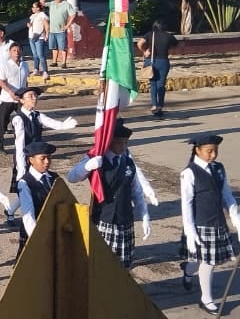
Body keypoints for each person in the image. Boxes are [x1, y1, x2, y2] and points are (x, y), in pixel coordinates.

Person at [66, 121, 152, 269]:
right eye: (119, 142)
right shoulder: (97, 158)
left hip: (124, 218)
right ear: (109, 141)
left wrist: (144, 214)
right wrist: (87, 166)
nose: (123, 146)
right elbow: (72, 177)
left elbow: (136, 191)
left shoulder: (128, 162)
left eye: (126, 142)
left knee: (123, 265)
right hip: (103, 218)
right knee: (101, 263)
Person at [179, 134, 240, 315]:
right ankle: (206, 299)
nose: (213, 155)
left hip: (217, 221)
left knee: (203, 260)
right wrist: (190, 231)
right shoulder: (189, 172)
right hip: (200, 224)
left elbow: (227, 195)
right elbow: (186, 203)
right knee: (207, 261)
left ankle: (187, 270)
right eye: (209, 151)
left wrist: (237, 220)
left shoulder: (219, 169)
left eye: (215, 151)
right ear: (197, 150)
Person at [9, 88, 77, 215]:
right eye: (30, 96)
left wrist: (64, 125)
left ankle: (10, 211)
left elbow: (53, 123)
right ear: (22, 100)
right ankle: (26, 216)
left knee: (32, 187)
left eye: (35, 96)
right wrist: (21, 168)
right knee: (26, 187)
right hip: (25, 158)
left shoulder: (37, 115)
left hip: (38, 157)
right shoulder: (18, 119)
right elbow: (19, 145)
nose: (34, 98)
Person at [16, 141, 59, 252]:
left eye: (49, 158)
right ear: (31, 160)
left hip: (53, 228)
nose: (47, 162)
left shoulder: (54, 177)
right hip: (35, 231)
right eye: (43, 158)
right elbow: (28, 215)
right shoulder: (25, 183)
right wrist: (37, 239)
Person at [136, 20, 180, 117]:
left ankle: (154, 105)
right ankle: (160, 106)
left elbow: (139, 43)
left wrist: (144, 51)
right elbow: (176, 45)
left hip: (151, 61)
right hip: (163, 61)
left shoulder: (150, 34)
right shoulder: (169, 36)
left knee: (153, 85)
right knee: (161, 84)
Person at [0, 44, 30, 153]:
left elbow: (25, 81)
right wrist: (11, 92)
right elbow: (1, 82)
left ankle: (24, 145)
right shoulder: (5, 65)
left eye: (18, 50)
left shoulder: (24, 65)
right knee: (2, 124)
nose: (16, 53)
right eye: (14, 50)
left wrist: (26, 94)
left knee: (24, 122)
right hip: (7, 99)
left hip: (21, 99)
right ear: (10, 52)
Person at [42, 0, 75, 69]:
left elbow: (73, 14)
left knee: (63, 47)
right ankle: (54, 61)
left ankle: (63, 63)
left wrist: (67, 25)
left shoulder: (66, 4)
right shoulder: (52, 3)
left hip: (61, 30)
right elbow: (41, 2)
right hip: (52, 29)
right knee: (54, 47)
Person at [27, 2, 50, 78]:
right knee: (35, 54)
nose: (33, 9)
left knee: (40, 54)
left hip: (39, 37)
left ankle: (45, 71)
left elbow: (46, 25)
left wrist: (47, 34)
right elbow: (31, 25)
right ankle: (36, 69)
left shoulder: (42, 15)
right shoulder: (32, 16)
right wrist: (29, 25)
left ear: (38, 8)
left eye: (34, 7)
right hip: (31, 36)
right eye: (32, 7)